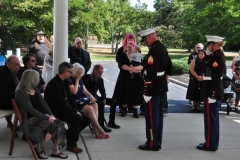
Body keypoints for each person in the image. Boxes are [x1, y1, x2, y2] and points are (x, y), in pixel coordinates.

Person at [15, 69, 68, 159]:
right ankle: (41, 148)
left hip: (42, 117)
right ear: (31, 79)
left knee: (61, 123)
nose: (38, 80)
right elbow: (30, 110)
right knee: (53, 125)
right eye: (37, 78)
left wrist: (50, 114)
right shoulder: (20, 92)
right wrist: (46, 117)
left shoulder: (35, 89)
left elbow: (43, 103)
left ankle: (56, 150)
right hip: (31, 119)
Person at [44, 62, 91, 153]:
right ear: (65, 72)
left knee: (86, 119)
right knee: (77, 118)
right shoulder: (54, 84)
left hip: (64, 108)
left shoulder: (65, 81)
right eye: (70, 72)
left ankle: (66, 134)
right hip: (55, 110)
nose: (71, 74)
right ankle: (71, 145)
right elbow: (60, 103)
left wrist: (76, 110)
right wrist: (74, 111)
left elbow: (69, 98)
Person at [137, 28, 172, 151]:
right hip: (161, 87)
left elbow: (150, 74)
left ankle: (152, 143)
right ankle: (157, 141)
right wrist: (166, 77)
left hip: (153, 89)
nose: (145, 42)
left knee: (151, 117)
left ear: (150, 37)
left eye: (145, 39)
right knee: (158, 117)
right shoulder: (162, 47)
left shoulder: (154, 51)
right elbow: (170, 65)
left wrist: (147, 92)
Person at [196, 35, 226, 151]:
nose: (207, 47)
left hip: (211, 93)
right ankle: (210, 142)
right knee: (211, 119)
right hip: (210, 92)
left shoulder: (217, 58)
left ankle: (210, 144)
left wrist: (212, 95)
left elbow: (216, 78)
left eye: (209, 44)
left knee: (211, 119)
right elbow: (209, 72)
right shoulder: (214, 56)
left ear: (215, 44)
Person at [69, 63, 110, 139]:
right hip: (74, 102)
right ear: (74, 71)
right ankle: (98, 128)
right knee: (90, 108)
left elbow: (84, 90)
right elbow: (74, 92)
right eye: (79, 73)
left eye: (81, 73)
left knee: (95, 104)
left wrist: (91, 96)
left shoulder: (80, 79)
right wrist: (77, 80)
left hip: (81, 100)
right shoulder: (70, 80)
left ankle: (95, 129)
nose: (80, 74)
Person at [82, 64, 120, 130]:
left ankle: (111, 122)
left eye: (102, 73)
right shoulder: (86, 78)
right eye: (100, 73)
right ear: (94, 71)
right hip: (88, 98)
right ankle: (101, 125)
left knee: (113, 101)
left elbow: (103, 92)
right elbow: (84, 91)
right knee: (101, 104)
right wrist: (99, 100)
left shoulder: (100, 80)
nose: (101, 74)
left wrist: (104, 98)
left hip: (96, 97)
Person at [112, 42, 143, 118]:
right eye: (128, 47)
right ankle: (124, 109)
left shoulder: (138, 55)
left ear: (134, 48)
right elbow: (121, 65)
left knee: (135, 93)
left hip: (136, 78)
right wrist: (131, 69)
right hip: (124, 78)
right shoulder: (122, 55)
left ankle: (135, 110)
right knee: (124, 92)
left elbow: (142, 65)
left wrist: (135, 69)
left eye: (131, 47)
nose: (129, 48)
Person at [115, 34, 137, 113]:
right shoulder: (121, 50)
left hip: (133, 75)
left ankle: (131, 107)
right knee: (123, 91)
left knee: (132, 91)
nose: (130, 40)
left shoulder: (137, 50)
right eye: (128, 39)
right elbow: (119, 61)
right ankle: (122, 107)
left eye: (132, 39)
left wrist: (134, 68)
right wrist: (129, 68)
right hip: (124, 74)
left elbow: (139, 62)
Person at [0, 55, 23, 127]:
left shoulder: (17, 72)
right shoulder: (2, 74)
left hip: (14, 98)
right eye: (17, 64)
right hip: (5, 101)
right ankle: (26, 126)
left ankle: (27, 125)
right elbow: (4, 93)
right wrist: (20, 94)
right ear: (9, 65)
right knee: (26, 104)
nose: (19, 66)